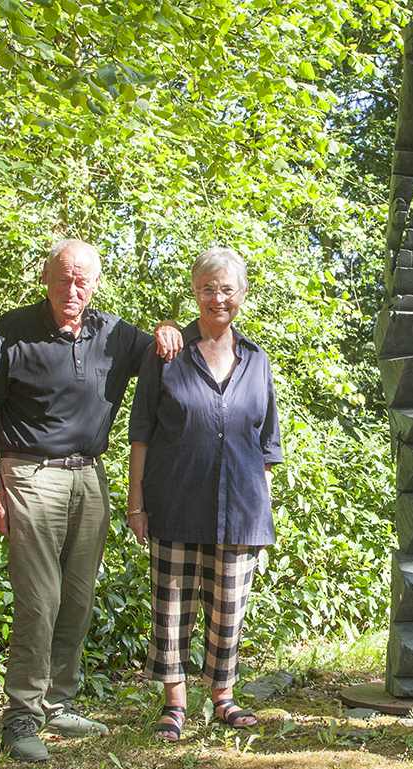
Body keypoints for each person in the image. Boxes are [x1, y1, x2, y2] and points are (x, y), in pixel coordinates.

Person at [0, 239, 181, 762]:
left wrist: (165, 328)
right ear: (47, 277)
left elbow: (162, 352)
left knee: (77, 597)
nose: (73, 289)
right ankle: (21, 714)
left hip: (89, 476)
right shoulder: (12, 332)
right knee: (39, 599)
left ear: (95, 283)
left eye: (82, 279)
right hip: (30, 474)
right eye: (64, 278)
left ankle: (57, 702)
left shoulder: (113, 333)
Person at [126, 247, 283, 740]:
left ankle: (223, 696)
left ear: (243, 295)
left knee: (229, 607)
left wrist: (264, 509)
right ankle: (175, 702)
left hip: (240, 506)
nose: (218, 298)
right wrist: (136, 503)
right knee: (171, 605)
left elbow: (267, 443)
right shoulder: (167, 353)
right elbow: (141, 431)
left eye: (227, 288)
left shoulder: (256, 361)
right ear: (196, 293)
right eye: (208, 288)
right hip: (174, 499)